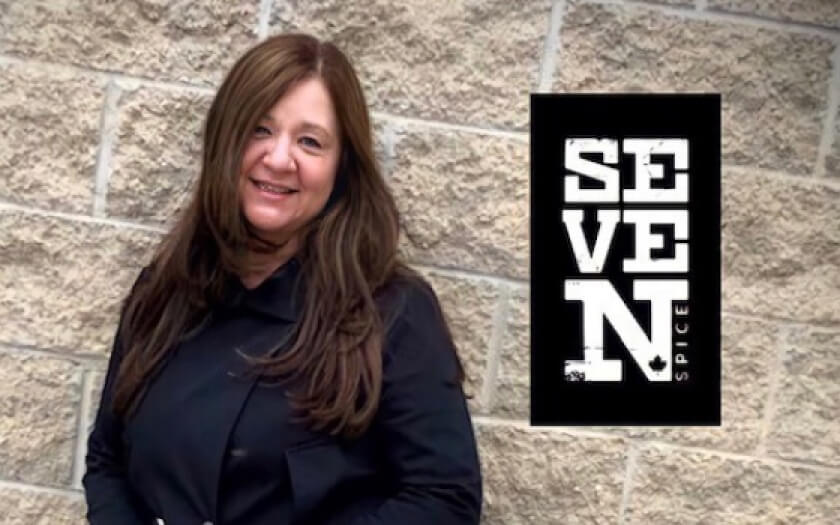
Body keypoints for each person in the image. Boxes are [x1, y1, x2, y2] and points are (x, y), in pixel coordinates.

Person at [82, 33, 482, 525]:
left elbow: (443, 499)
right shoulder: (164, 290)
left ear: (342, 168)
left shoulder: (393, 313)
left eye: (309, 141)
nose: (278, 158)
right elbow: (106, 459)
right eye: (259, 130)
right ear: (225, 140)